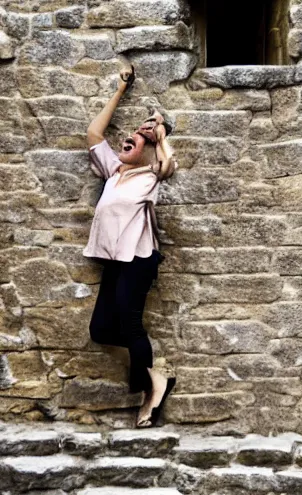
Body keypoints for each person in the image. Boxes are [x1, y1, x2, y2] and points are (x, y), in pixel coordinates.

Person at [84, 64, 178, 428]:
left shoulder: (150, 175)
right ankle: (154, 375)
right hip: (115, 260)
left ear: (148, 150)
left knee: (132, 324)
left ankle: (150, 395)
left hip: (139, 259)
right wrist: (121, 90)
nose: (132, 135)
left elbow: (168, 163)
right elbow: (93, 132)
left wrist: (161, 132)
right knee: (101, 330)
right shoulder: (113, 171)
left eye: (141, 136)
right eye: (133, 132)